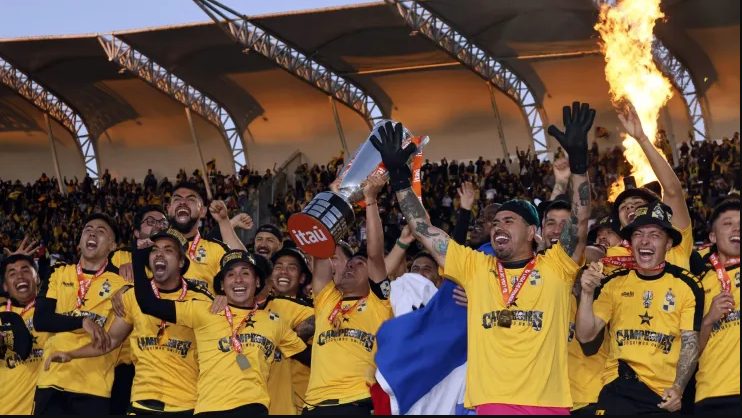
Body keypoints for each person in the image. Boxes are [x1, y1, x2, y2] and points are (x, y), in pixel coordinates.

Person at [372, 102, 593, 414]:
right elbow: (422, 228)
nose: (498, 227)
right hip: (493, 403)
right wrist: (399, 177)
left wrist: (579, 166)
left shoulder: (556, 266)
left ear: (532, 232)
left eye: (509, 221)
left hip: (548, 404)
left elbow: (579, 222)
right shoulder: (475, 266)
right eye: (496, 222)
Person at [44, 227, 213, 414]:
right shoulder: (132, 296)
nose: (159, 254)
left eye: (168, 250)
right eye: (154, 250)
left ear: (181, 261)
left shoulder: (200, 300)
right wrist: (71, 354)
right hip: (141, 401)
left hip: (186, 403)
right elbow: (111, 341)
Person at [133, 247, 308, 415]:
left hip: (252, 408)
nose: (238, 279)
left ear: (257, 282)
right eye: (230, 274)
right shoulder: (204, 310)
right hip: (209, 409)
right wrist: (139, 255)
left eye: (245, 273)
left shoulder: (274, 321)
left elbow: (308, 356)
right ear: (222, 285)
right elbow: (148, 304)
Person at [576, 200, 704, 414]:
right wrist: (587, 294)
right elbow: (585, 335)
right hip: (618, 389)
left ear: (668, 244)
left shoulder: (687, 285)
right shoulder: (613, 283)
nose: (645, 241)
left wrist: (678, 387)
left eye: (655, 235)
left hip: (662, 396)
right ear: (630, 241)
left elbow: (690, 343)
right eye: (638, 234)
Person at [302, 175, 393, 415]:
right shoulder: (326, 298)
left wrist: (370, 200)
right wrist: (335, 199)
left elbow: (375, 254)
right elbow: (320, 246)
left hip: (357, 402)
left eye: (359, 264)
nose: (351, 266)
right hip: (314, 405)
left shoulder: (379, 302)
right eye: (349, 263)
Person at [33, 213, 128, 415]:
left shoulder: (121, 286)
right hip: (51, 380)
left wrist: (129, 288)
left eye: (101, 231)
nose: (92, 233)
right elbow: (41, 320)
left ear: (112, 246)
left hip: (93, 388)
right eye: (88, 230)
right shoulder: (58, 273)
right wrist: (82, 322)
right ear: (79, 241)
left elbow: (111, 339)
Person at [601, 104, 693, 270]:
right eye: (623, 207)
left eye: (637, 203)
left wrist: (642, 139)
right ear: (620, 226)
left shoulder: (674, 243)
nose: (630, 206)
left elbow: (673, 191)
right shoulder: (610, 257)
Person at [694, 199, 740, 415]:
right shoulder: (696, 285)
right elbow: (688, 353)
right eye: (728, 223)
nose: (737, 228)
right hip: (713, 394)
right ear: (712, 237)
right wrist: (708, 320)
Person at [166, 182, 247, 293]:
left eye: (191, 199)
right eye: (177, 199)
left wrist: (224, 221)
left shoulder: (215, 249)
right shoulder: (152, 248)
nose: (183, 203)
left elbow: (245, 268)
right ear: (169, 209)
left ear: (203, 211)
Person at [0, 238, 48, 415]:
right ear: (5, 286)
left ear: (38, 278)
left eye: (25, 270)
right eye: (12, 273)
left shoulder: (53, 311)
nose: (20, 276)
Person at [265, 247, 315, 415]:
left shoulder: (313, 312)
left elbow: (319, 357)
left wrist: (284, 340)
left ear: (302, 278)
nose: (283, 271)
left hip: (299, 405)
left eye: (291, 267)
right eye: (278, 266)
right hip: (260, 404)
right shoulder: (255, 308)